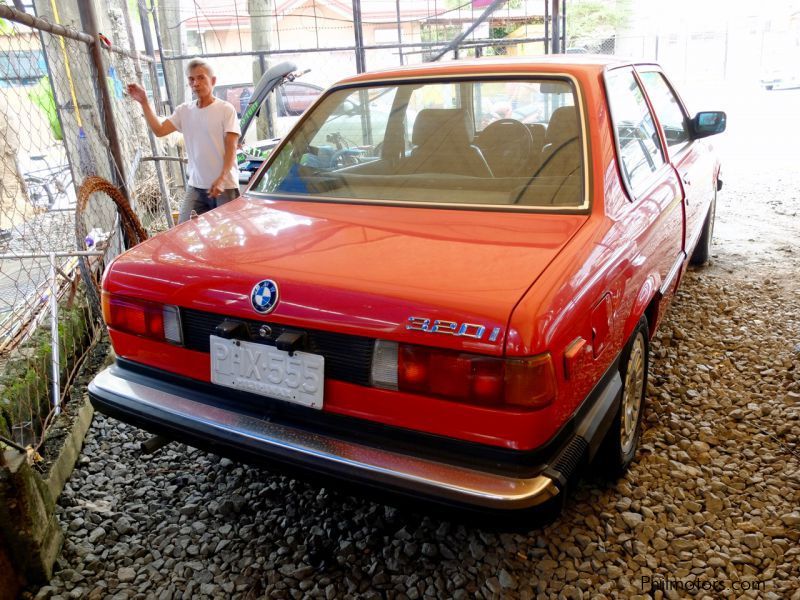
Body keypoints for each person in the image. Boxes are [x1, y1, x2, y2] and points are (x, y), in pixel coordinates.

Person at [127, 58, 241, 223]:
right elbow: (159, 130)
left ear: (213, 80)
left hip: (225, 186)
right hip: (196, 185)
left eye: (201, 78)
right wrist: (144, 101)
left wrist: (222, 178)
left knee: (226, 235)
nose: (196, 83)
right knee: (183, 228)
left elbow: (232, 147)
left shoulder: (225, 109)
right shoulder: (184, 111)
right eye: (191, 79)